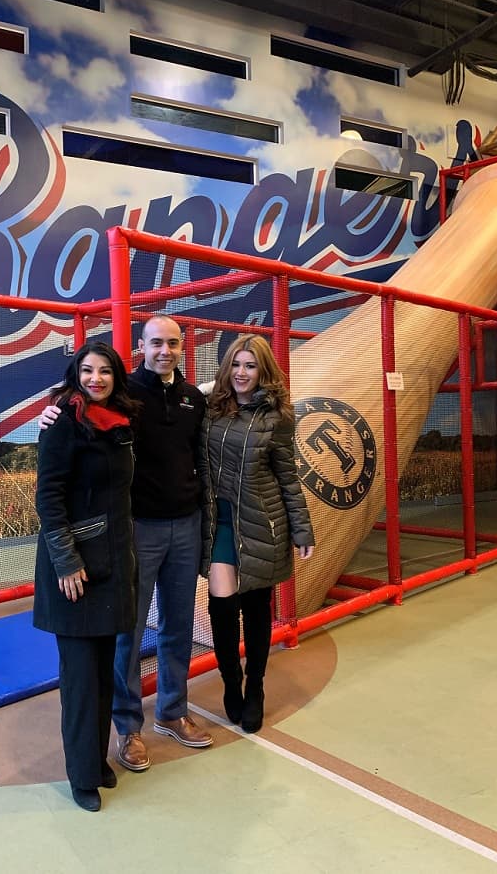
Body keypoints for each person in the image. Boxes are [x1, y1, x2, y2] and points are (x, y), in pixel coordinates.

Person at [40, 315, 213, 773]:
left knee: (178, 625)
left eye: (172, 343)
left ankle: (172, 712)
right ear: (142, 346)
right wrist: (51, 412)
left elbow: (200, 457)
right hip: (137, 529)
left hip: (186, 525)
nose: (164, 351)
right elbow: (77, 413)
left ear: (182, 346)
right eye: (156, 343)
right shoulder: (124, 396)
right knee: (129, 632)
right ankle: (128, 727)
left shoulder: (193, 399)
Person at [33, 341, 139, 812]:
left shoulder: (120, 424)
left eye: (105, 371)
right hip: (74, 570)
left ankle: (96, 762)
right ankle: (81, 776)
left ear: (117, 378)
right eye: (88, 371)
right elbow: (49, 497)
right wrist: (66, 560)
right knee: (79, 680)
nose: (96, 379)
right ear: (76, 374)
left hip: (110, 564)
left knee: (101, 674)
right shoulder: (62, 421)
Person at [201, 334, 315, 733]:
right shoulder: (211, 408)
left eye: (250, 366)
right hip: (219, 522)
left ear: (263, 371)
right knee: (222, 607)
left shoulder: (277, 417)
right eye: (235, 364)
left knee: (255, 608)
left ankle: (256, 686)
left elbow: (288, 477)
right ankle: (231, 681)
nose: (241, 373)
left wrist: (302, 528)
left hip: (260, 521)